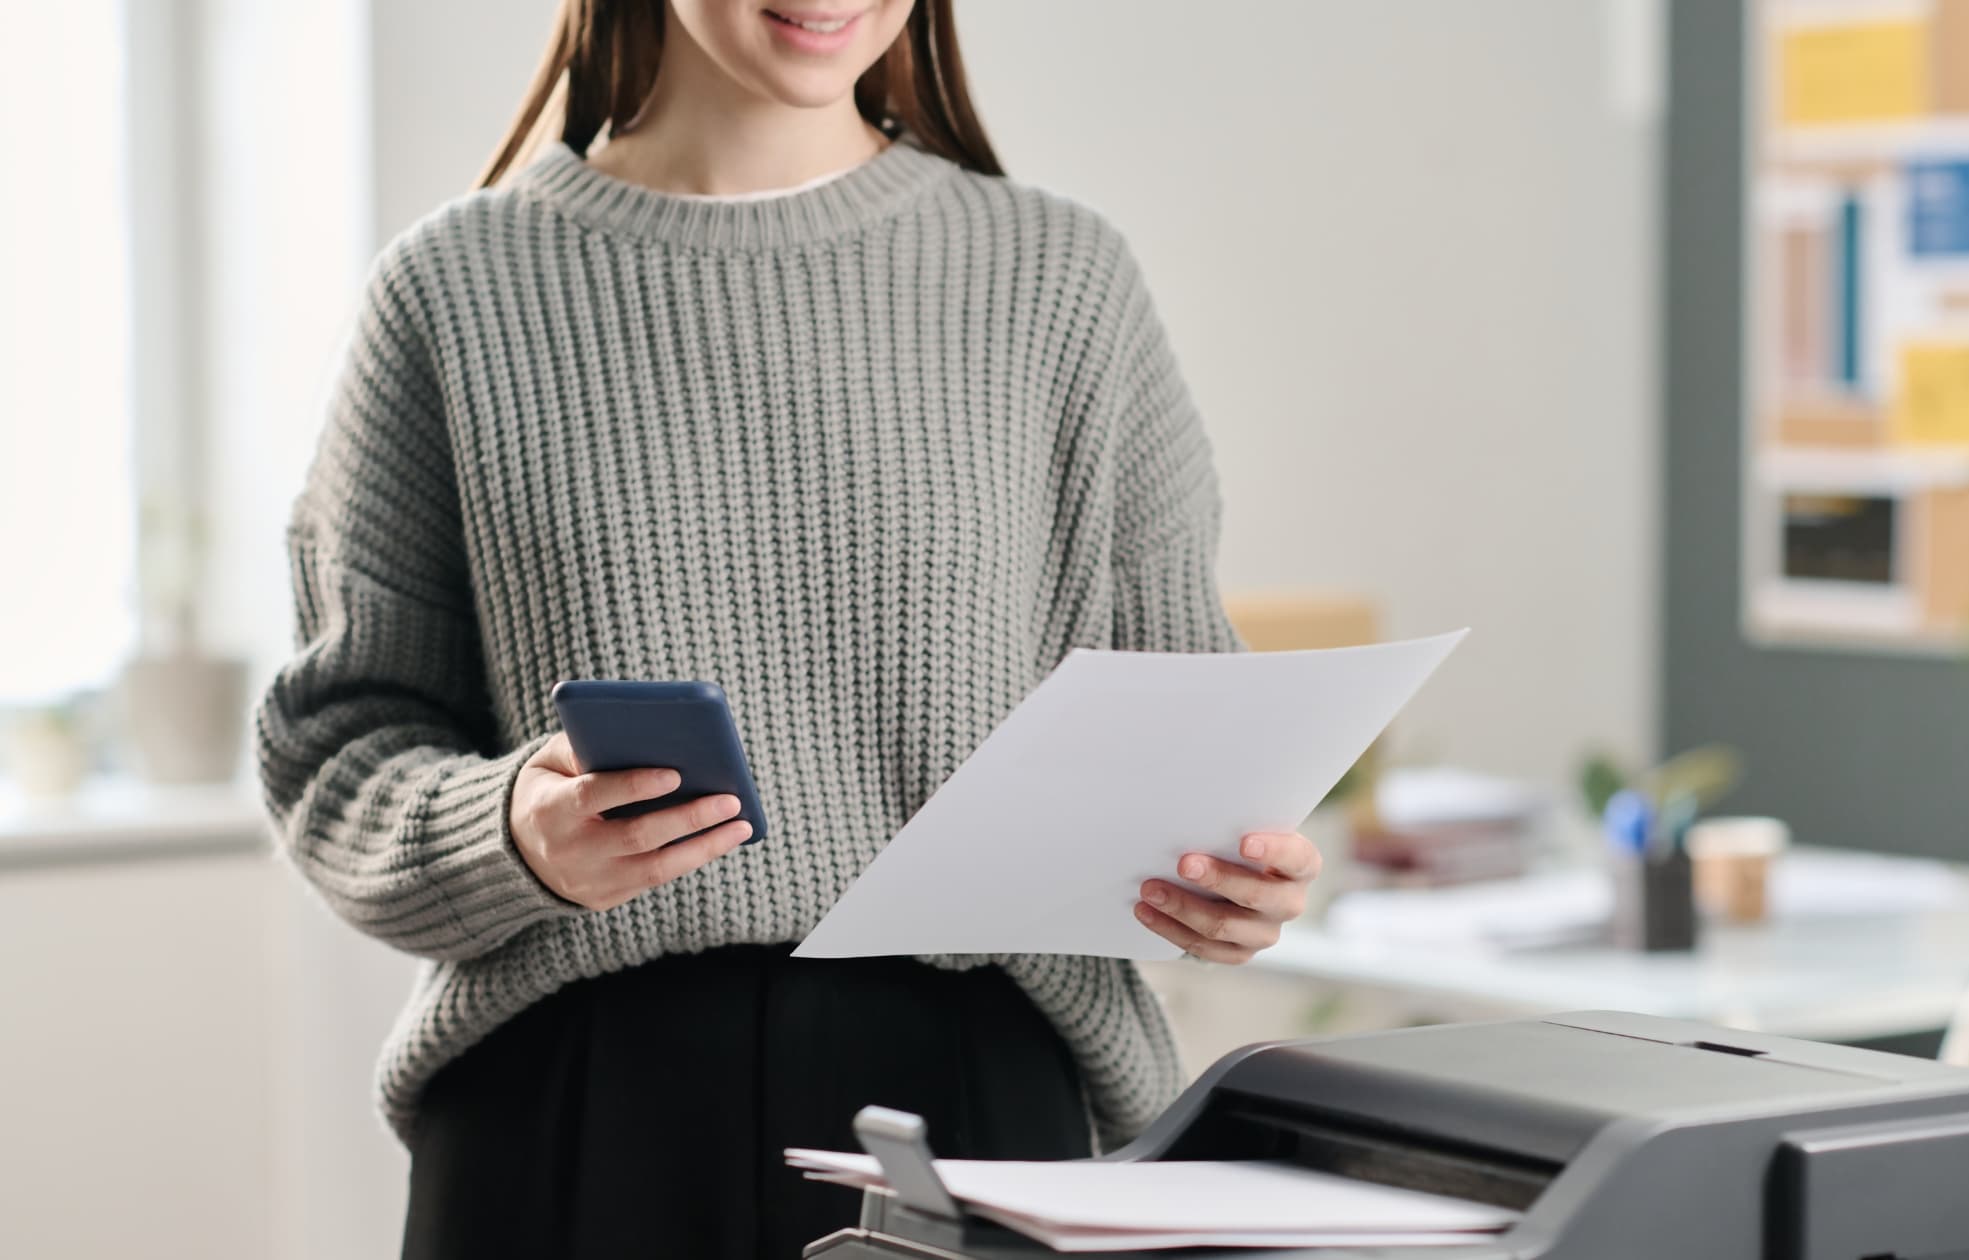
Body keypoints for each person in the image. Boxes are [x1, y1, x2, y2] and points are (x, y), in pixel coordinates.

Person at [254, 2, 1324, 1255]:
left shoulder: (1060, 281)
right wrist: (509, 833)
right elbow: (340, 748)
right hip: (578, 1100)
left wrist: (1225, 878)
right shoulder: (453, 289)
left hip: (975, 1100)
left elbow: (1176, 720)